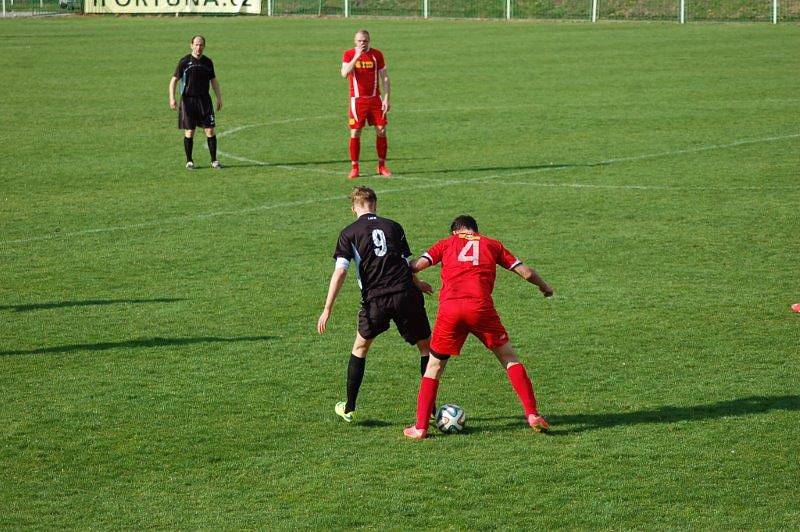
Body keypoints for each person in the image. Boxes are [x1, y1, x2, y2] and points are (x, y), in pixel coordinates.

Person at [403, 215, 554, 440]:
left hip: (450, 310)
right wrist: (545, 287)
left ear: (455, 231)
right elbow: (526, 273)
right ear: (475, 230)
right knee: (509, 358)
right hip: (481, 309)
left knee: (433, 367)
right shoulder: (491, 244)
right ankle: (532, 414)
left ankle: (421, 427)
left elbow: (414, 267)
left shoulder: (446, 243)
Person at [317, 186, 433, 423]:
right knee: (425, 349)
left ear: (353, 208)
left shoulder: (349, 233)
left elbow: (340, 272)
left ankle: (349, 407)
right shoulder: (393, 226)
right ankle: (429, 410)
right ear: (375, 205)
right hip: (406, 294)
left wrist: (327, 307)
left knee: (360, 349)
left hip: (376, 299)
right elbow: (405, 262)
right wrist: (418, 283)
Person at [341, 30, 392, 179]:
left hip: (375, 99)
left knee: (381, 130)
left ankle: (381, 166)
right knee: (355, 131)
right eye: (359, 41)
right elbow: (344, 73)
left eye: (365, 40)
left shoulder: (377, 55)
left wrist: (386, 98)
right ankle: (355, 167)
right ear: (355, 42)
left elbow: (385, 78)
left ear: (369, 40)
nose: (362, 43)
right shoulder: (349, 54)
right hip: (357, 100)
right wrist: (357, 56)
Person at [169, 35, 223, 170]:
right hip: (188, 101)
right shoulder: (184, 62)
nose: (199, 47)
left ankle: (214, 160)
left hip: (205, 100)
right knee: (190, 132)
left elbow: (214, 81)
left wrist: (219, 97)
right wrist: (172, 98)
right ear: (191, 45)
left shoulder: (208, 62)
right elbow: (173, 81)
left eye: (201, 45)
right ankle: (189, 161)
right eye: (196, 45)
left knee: (210, 130)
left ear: (204, 46)